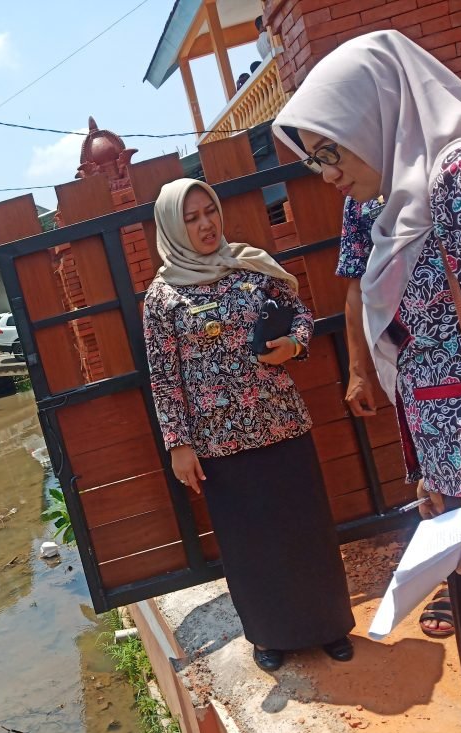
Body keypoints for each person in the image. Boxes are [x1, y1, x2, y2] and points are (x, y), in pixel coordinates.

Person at [275, 30, 461, 733]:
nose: (326, 173)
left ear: (376, 112)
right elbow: (421, 351)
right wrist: (430, 472)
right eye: (313, 159)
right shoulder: (395, 203)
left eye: (330, 150)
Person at [143, 178, 356, 672]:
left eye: (209, 212)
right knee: (250, 545)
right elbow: (164, 377)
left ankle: (329, 626)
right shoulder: (162, 297)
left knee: (307, 530)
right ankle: (269, 635)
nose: (205, 224)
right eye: (191, 218)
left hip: (281, 422)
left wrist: (295, 344)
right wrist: (178, 444)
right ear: (172, 226)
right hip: (220, 443)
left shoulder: (249, 265)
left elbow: (299, 313)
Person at [338, 195, 456, 639]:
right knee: (436, 474)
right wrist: (358, 371)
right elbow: (356, 286)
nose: (328, 173)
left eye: (330, 160)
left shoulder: (446, 170)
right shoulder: (359, 201)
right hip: (414, 363)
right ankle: (452, 579)